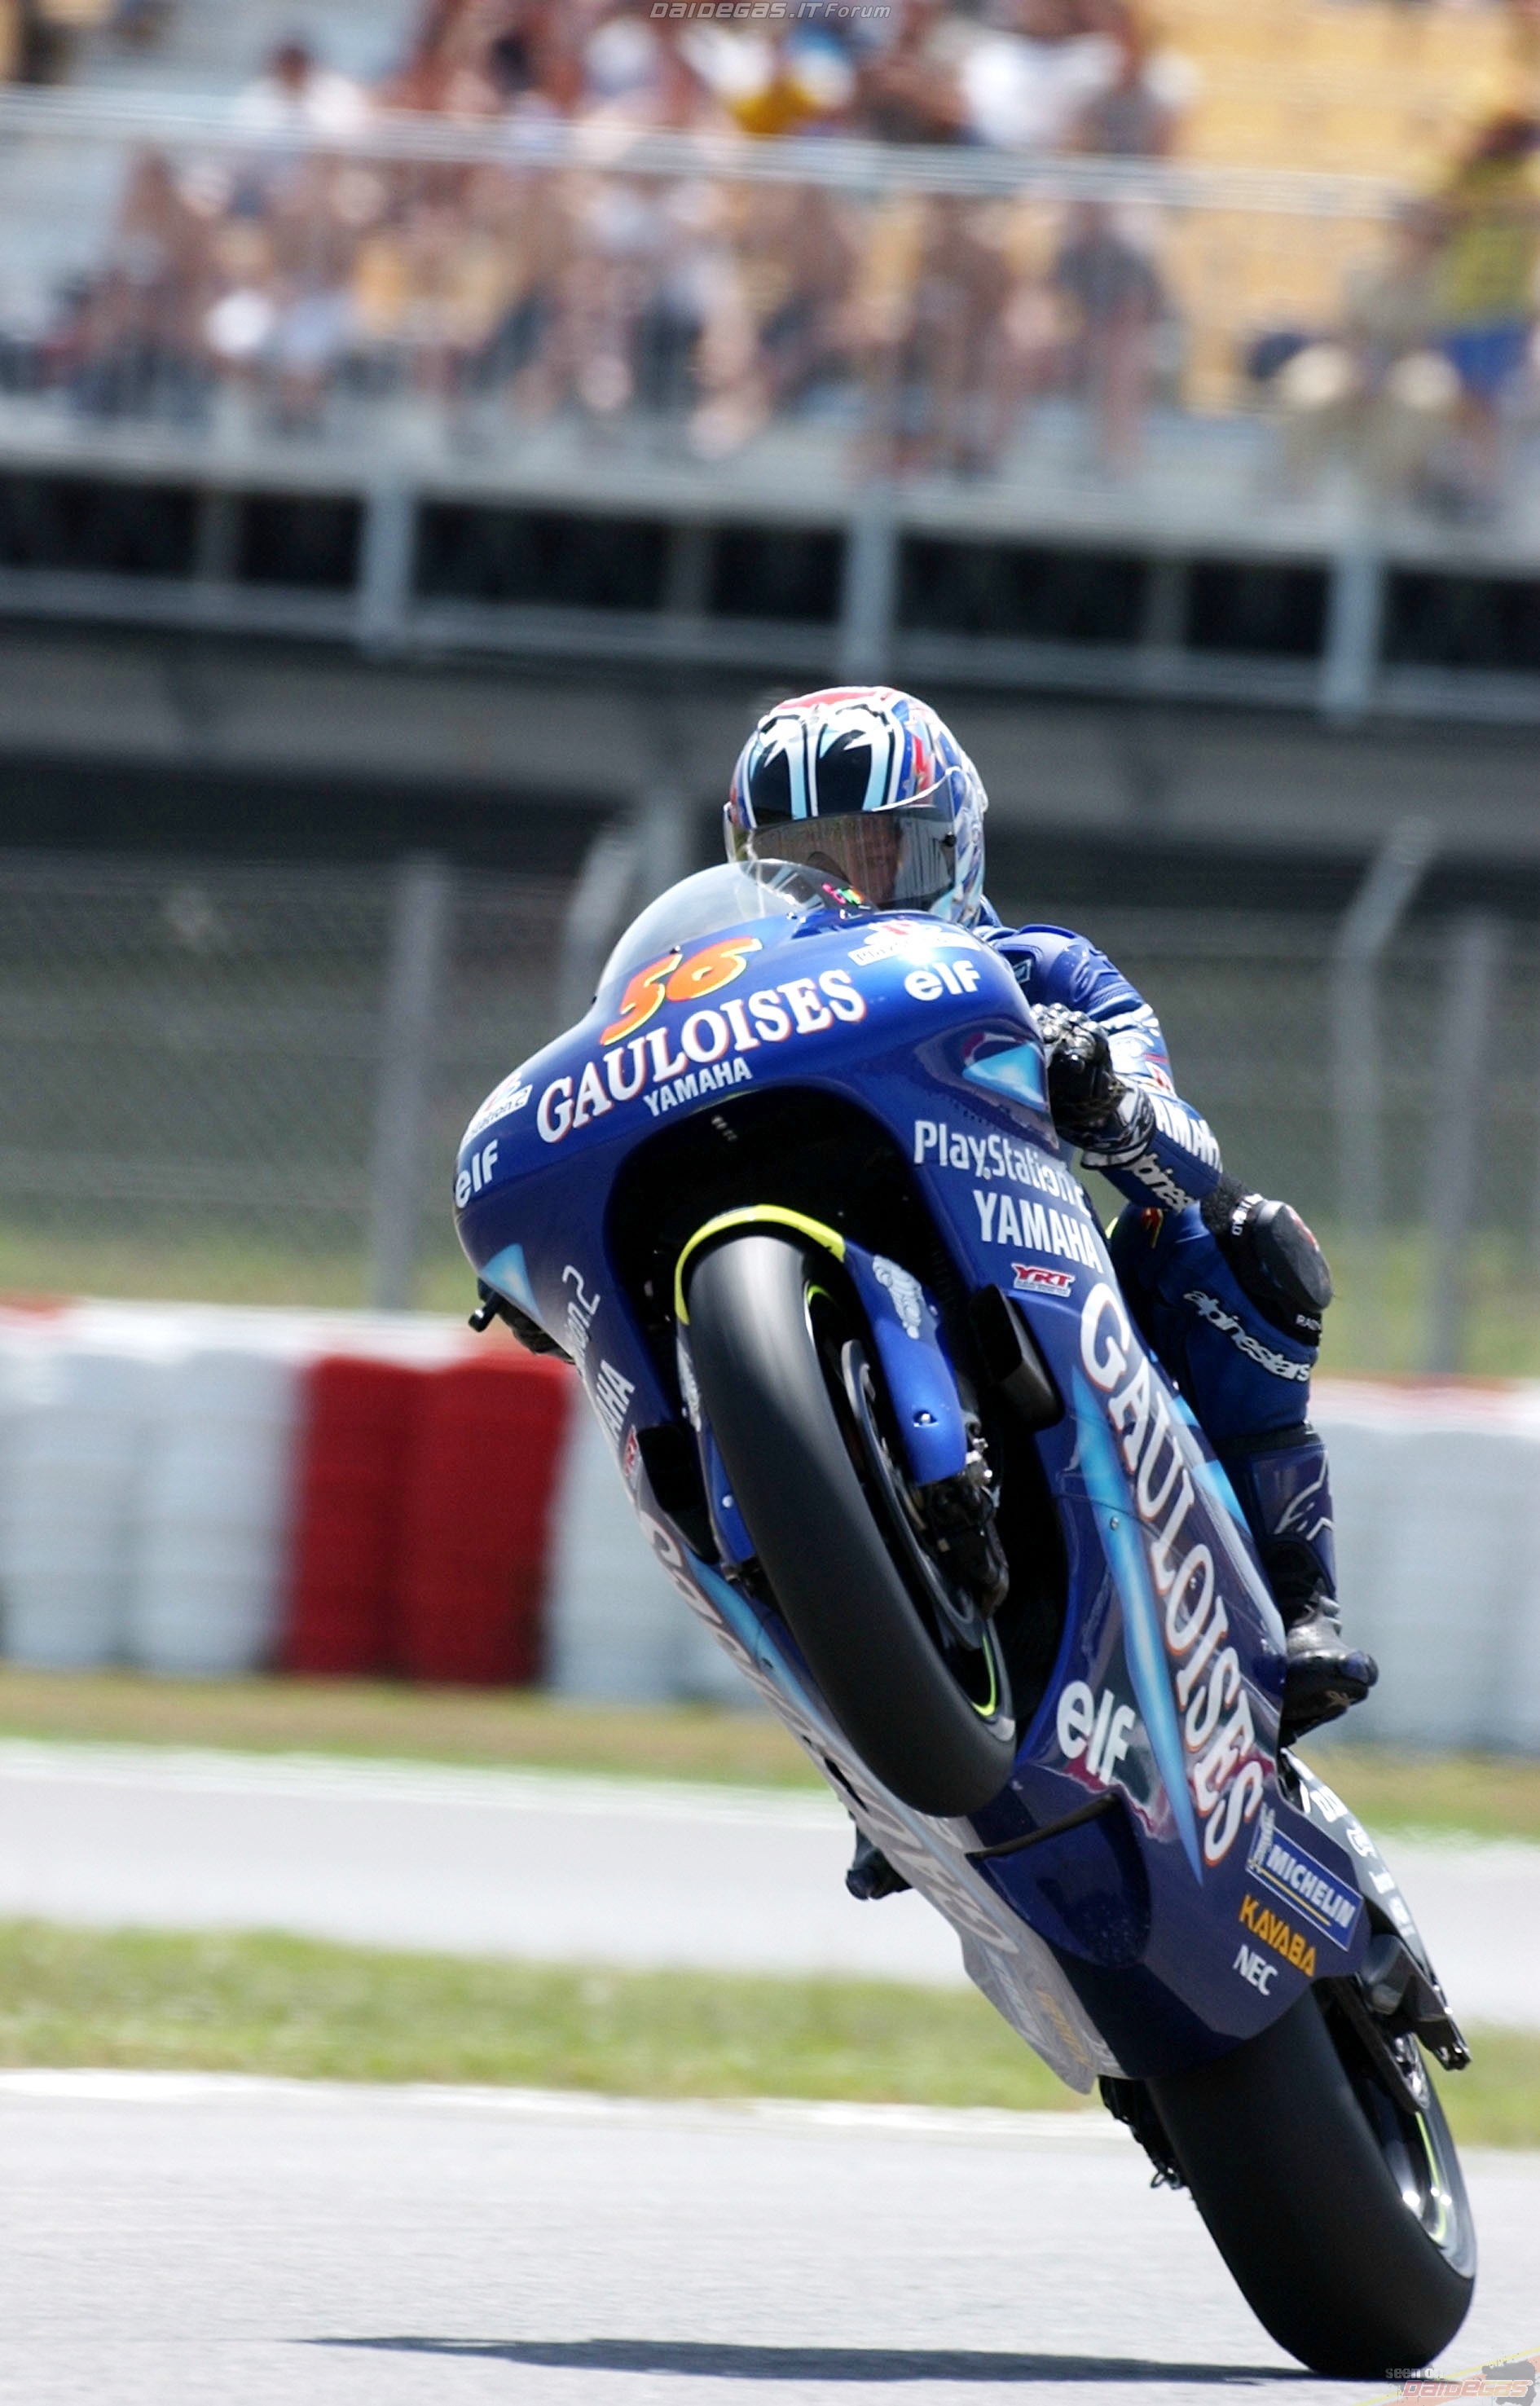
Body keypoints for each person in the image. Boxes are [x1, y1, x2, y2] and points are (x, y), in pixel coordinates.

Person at [724, 686, 1378, 1802]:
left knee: (1238, 1239)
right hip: (826, 1272)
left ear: (952, 849)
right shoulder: (729, 1004)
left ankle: (1295, 1595)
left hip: (1039, 1279)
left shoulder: (1043, 967)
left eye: (874, 855)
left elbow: (1188, 1146)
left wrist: (1100, 1093)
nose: (843, 894)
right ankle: (858, 1723)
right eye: (802, 866)